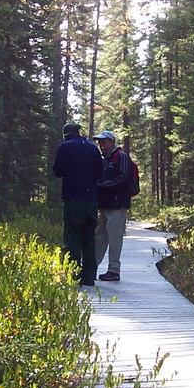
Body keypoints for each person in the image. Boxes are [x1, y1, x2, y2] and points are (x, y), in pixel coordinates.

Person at [51, 122, 103, 286]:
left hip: (73, 198)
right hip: (91, 200)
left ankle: (74, 274)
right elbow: (100, 172)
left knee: (73, 236)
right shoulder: (93, 148)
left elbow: (57, 171)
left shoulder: (65, 147)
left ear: (66, 134)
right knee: (89, 237)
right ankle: (89, 276)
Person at [93, 130, 132, 281]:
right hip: (104, 205)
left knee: (115, 238)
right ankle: (92, 267)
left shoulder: (121, 156)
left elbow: (122, 178)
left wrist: (101, 186)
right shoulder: (105, 159)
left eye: (104, 142)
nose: (101, 145)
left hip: (118, 204)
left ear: (111, 142)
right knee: (99, 237)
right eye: (100, 142)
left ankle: (114, 270)